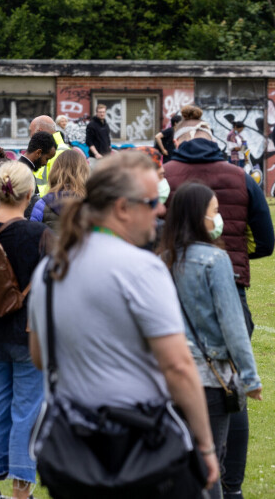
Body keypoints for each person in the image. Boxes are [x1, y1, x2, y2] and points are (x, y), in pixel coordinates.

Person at [28, 150, 220, 494]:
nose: (161, 210)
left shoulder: (51, 269)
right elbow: (177, 365)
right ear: (121, 208)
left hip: (72, 450)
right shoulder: (142, 268)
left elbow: (41, 356)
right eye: (151, 202)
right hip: (142, 447)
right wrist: (205, 446)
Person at [164, 104, 274, 497]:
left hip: (170, 279)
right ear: (215, 138)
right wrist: (239, 260)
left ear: (177, 139)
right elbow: (267, 240)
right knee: (231, 391)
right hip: (230, 279)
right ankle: (230, 486)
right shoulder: (239, 176)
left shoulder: (165, 175)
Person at [159, 183, 263, 499]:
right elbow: (232, 324)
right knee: (210, 464)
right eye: (215, 212)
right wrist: (250, 377)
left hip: (167, 375)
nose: (219, 218)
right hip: (209, 377)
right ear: (198, 216)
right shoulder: (214, 260)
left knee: (175, 463)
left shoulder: (162, 258)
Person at [0, 160, 51, 499]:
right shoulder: (37, 233)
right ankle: (21, 489)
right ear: (30, 192)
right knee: (27, 412)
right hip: (29, 333)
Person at [28, 149, 89, 232]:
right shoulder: (91, 206)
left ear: (55, 171)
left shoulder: (41, 204)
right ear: (84, 172)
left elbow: (32, 237)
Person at [28, 115, 70, 197]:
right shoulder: (61, 150)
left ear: (39, 131)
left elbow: (62, 186)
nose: (30, 135)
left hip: (46, 203)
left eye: (31, 131)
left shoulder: (60, 152)